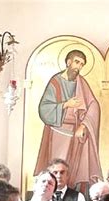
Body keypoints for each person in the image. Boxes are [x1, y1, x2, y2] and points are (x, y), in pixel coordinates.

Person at [34, 49, 102, 188]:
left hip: (75, 133)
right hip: (58, 132)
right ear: (68, 62)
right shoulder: (55, 82)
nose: (78, 67)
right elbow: (44, 108)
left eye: (82, 64)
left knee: (73, 169)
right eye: (77, 62)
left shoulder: (81, 83)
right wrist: (66, 104)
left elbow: (93, 105)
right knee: (57, 167)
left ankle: (72, 196)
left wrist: (84, 125)